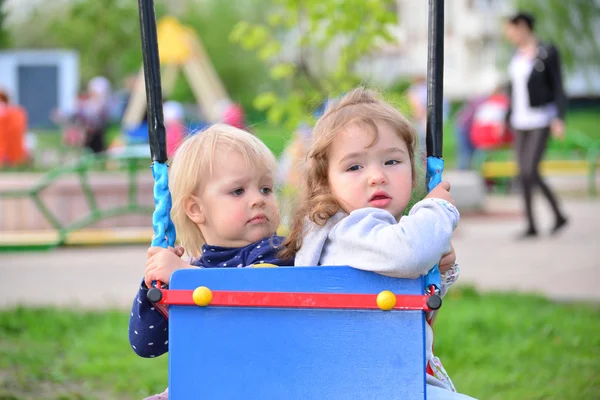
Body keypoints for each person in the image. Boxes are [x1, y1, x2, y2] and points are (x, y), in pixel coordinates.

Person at [280, 87, 475, 400]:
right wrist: (437, 208)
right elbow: (408, 253)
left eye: (392, 161)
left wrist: (442, 269)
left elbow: (415, 310)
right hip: (366, 385)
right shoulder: (346, 230)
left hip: (378, 378)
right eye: (354, 167)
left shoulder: (371, 234)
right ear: (325, 181)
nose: (376, 176)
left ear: (413, 172)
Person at [128, 124, 293, 399]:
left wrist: (184, 276)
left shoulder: (276, 253)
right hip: (203, 386)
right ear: (196, 209)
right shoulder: (196, 265)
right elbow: (147, 344)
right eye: (238, 191)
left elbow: (255, 293)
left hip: (260, 387)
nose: (258, 200)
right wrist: (153, 285)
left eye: (266, 189)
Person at [503, 11, 568, 237]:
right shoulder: (516, 55)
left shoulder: (546, 52)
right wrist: (507, 117)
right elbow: (514, 90)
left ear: (522, 26)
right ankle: (538, 223)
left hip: (541, 119)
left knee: (530, 170)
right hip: (519, 121)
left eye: (510, 29)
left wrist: (559, 117)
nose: (508, 34)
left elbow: (558, 85)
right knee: (525, 172)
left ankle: (552, 217)